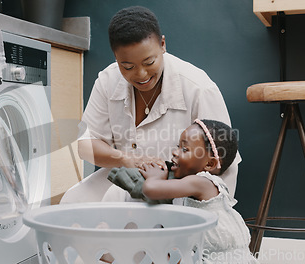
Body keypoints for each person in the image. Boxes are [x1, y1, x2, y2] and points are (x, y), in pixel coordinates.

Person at [60, 5, 240, 204]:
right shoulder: (107, 81)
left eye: (149, 62)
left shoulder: (199, 88)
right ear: (116, 57)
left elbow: (222, 161)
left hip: (178, 187)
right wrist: (127, 159)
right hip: (127, 175)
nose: (141, 75)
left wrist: (209, 210)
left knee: (137, 221)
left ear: (162, 44)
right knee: (72, 201)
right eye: (127, 66)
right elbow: (86, 146)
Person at [134, 119, 257, 263]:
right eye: (177, 146)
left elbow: (151, 189)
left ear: (209, 164)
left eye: (184, 149)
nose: (174, 152)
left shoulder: (201, 182)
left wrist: (155, 177)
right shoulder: (194, 187)